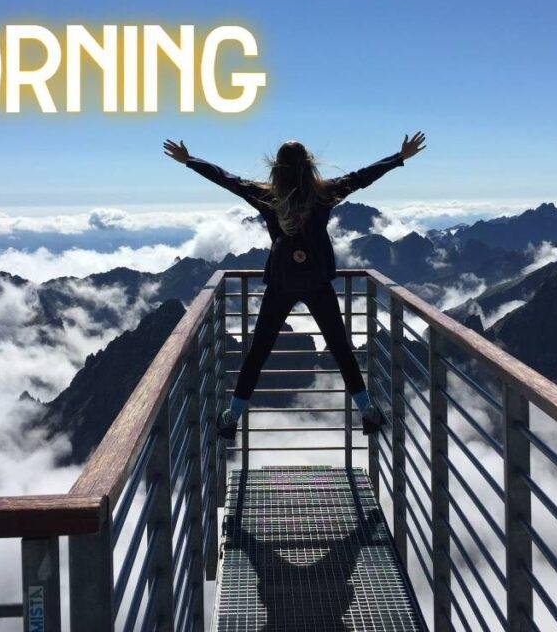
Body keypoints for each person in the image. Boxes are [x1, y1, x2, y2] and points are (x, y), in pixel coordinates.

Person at [163, 132, 427, 439]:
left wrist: (190, 160)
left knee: (258, 350)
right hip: (316, 282)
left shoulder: (266, 196)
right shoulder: (324, 194)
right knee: (341, 348)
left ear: (277, 168)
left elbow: (227, 179)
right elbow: (362, 177)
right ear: (309, 165)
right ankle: (367, 410)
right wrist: (399, 157)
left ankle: (232, 416)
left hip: (281, 282)